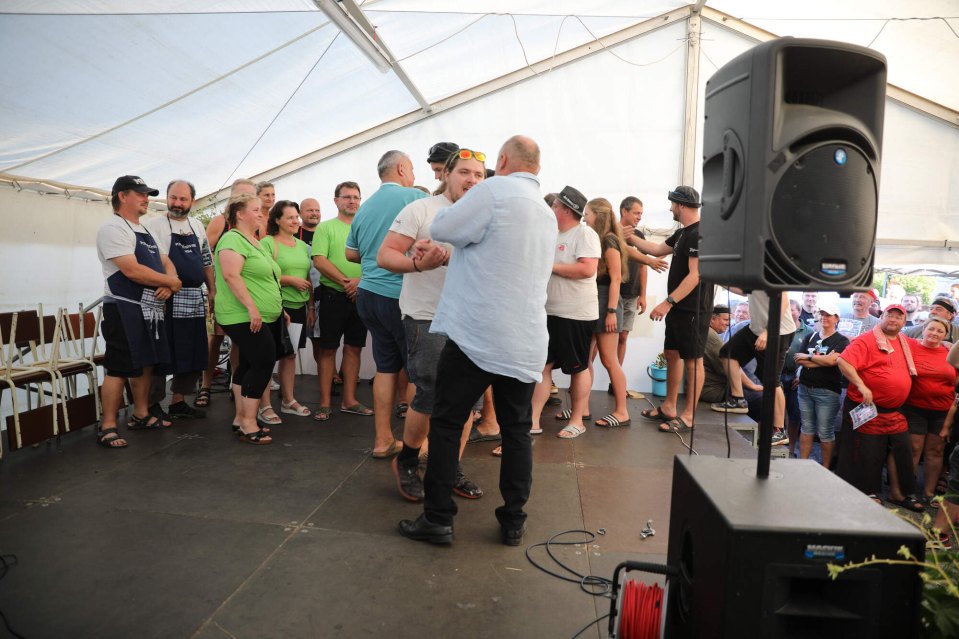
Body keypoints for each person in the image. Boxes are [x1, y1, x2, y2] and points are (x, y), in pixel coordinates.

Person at [397, 135, 556, 546]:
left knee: (447, 422)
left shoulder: (494, 190)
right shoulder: (546, 210)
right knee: (517, 431)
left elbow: (443, 227)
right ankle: (513, 520)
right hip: (524, 339)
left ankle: (438, 518)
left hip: (477, 335)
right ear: (536, 168)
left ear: (501, 160)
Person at [378, 148, 487, 502]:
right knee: (431, 394)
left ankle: (449, 468)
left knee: (468, 401)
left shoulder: (487, 216)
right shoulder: (421, 209)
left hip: (472, 319)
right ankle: (408, 460)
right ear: (446, 174)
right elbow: (385, 255)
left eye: (479, 174)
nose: (472, 180)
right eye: (464, 172)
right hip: (427, 317)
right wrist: (418, 266)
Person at [346, 151, 427, 458]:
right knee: (418, 372)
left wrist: (374, 251)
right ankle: (416, 446)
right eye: (413, 169)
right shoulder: (414, 198)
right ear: (402, 168)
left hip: (368, 294)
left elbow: (351, 253)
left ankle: (383, 441)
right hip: (400, 296)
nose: (415, 176)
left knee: (385, 367)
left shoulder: (364, 207)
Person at [96, 175, 181, 448]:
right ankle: (108, 425)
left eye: (147, 194)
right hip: (123, 308)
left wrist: (169, 283)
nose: (146, 198)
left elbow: (165, 262)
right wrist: (169, 282)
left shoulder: (145, 230)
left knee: (146, 362)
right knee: (118, 367)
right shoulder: (112, 228)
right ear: (122, 196)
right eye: (140, 193)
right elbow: (131, 270)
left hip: (150, 309)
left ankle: (141, 414)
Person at [633, 186, 712, 434]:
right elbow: (656, 250)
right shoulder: (682, 233)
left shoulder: (699, 234)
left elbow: (695, 275)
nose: (670, 209)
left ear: (681, 205)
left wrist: (668, 302)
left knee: (693, 361)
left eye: (672, 204)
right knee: (671, 354)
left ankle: (688, 416)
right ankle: (669, 406)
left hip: (693, 309)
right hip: (679, 307)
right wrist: (627, 237)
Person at [214, 194, 286, 445]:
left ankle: (240, 419)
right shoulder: (232, 239)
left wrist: (279, 307)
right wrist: (252, 308)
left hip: (259, 314)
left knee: (247, 363)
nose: (261, 213)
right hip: (241, 315)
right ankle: (248, 423)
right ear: (239, 214)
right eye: (255, 210)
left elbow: (267, 279)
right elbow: (231, 276)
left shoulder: (254, 241)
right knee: (264, 361)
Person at [531, 185, 600, 440]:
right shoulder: (552, 234)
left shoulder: (585, 233)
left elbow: (587, 269)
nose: (551, 208)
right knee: (543, 366)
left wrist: (550, 267)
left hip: (576, 314)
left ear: (567, 210)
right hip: (549, 311)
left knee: (578, 367)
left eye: (555, 205)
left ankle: (577, 421)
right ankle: (532, 420)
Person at [836, 304, 919, 507]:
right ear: (881, 317)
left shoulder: (906, 342)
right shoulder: (866, 339)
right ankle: (866, 492)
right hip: (867, 408)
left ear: (904, 322)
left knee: (901, 451)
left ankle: (898, 493)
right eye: (889, 315)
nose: (893, 319)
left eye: (898, 317)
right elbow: (843, 361)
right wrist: (861, 385)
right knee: (868, 453)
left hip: (895, 411)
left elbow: (928, 345)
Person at [144, 179, 213, 420]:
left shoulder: (197, 226)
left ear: (192, 201)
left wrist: (212, 290)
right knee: (162, 353)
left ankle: (178, 401)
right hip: (164, 298)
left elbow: (206, 260)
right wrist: (164, 284)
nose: (177, 203)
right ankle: (152, 404)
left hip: (193, 297)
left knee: (192, 352)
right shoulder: (153, 225)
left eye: (183, 199)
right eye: (173, 197)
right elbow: (150, 261)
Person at [311, 182, 370, 422]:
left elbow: (375, 259)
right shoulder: (325, 228)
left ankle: (350, 401)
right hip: (333, 296)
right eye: (347, 197)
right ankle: (325, 403)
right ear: (336, 201)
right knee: (327, 349)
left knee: (354, 348)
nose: (352, 201)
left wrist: (360, 283)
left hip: (361, 295)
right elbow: (319, 260)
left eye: (356, 197)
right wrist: (348, 283)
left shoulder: (366, 228)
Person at [199, 178, 257, 408]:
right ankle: (205, 385)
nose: (244, 199)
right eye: (241, 195)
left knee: (240, 342)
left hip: (245, 292)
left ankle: (236, 382)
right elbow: (204, 255)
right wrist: (212, 288)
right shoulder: (220, 222)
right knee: (215, 339)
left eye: (249, 195)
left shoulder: (256, 225)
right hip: (222, 291)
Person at [712, 290, 796, 445]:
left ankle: (780, 430)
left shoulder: (772, 274)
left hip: (778, 331)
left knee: (772, 381)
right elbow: (744, 290)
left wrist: (768, 331)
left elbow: (783, 301)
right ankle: (738, 399)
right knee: (727, 353)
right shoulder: (752, 275)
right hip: (755, 329)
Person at [261, 200, 315, 418]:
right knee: (267, 357)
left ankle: (288, 400)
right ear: (277, 220)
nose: (296, 221)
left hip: (298, 308)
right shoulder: (267, 243)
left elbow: (308, 277)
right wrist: (290, 280)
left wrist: (311, 306)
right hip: (275, 307)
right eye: (290, 217)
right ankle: (264, 405)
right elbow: (263, 275)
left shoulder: (302, 246)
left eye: (296, 217)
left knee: (290, 355)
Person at [583, 197, 631, 428]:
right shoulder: (595, 238)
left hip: (606, 302)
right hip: (594, 301)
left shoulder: (609, 240)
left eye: (587, 214)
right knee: (586, 359)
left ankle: (622, 411)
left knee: (609, 360)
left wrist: (611, 311)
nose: (584, 218)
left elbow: (616, 279)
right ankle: (581, 407)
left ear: (598, 216)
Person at [899, 317, 955, 504]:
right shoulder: (910, 346)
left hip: (943, 410)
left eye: (940, 331)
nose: (934, 333)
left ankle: (929, 493)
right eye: (931, 329)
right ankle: (907, 491)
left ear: (946, 335)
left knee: (936, 451)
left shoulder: (950, 351)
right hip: (914, 408)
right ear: (923, 330)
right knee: (914, 449)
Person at [617, 196, 668, 394]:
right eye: (636, 213)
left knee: (623, 337)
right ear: (624, 211)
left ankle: (615, 382)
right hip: (613, 294)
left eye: (641, 213)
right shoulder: (611, 233)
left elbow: (643, 266)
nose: (639, 217)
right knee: (600, 339)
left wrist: (643, 295)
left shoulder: (638, 235)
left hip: (631, 295)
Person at [793, 301, 849, 467]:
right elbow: (798, 359)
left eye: (828, 315)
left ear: (836, 319)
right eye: (822, 314)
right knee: (806, 428)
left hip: (827, 391)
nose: (824, 317)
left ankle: (825, 469)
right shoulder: (811, 336)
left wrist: (809, 357)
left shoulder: (842, 340)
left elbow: (833, 362)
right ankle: (802, 465)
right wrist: (823, 360)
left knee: (825, 431)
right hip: (805, 388)